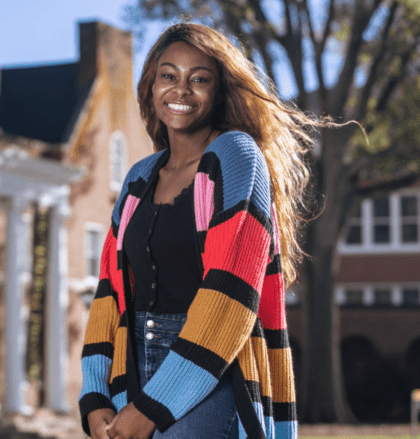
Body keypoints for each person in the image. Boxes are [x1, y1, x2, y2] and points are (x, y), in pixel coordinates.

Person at [78, 23, 322, 439]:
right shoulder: (139, 178)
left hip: (211, 371)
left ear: (219, 90)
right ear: (151, 86)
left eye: (199, 79)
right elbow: (109, 294)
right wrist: (95, 396)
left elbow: (230, 296)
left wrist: (153, 407)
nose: (181, 90)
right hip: (130, 367)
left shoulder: (236, 157)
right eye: (168, 75)